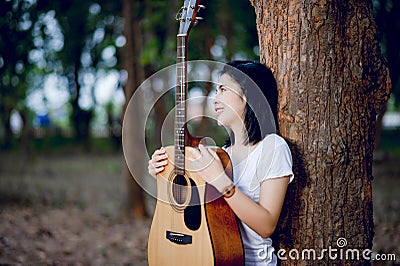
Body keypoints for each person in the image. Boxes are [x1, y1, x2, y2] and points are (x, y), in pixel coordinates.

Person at [148, 61, 294, 265]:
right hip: (213, 257)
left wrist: (220, 180)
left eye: (223, 89)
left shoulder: (272, 147)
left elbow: (267, 225)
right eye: (216, 91)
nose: (215, 99)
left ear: (247, 95)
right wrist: (162, 168)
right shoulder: (222, 155)